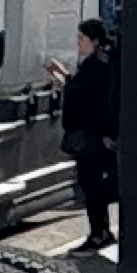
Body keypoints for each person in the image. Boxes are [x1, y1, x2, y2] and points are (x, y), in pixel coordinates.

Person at [54, 17, 119, 254]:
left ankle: (99, 233)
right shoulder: (96, 64)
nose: (78, 43)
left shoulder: (98, 66)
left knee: (92, 185)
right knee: (91, 184)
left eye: (82, 38)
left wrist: (65, 85)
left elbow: (89, 98)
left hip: (93, 135)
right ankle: (100, 231)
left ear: (95, 41)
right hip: (95, 134)